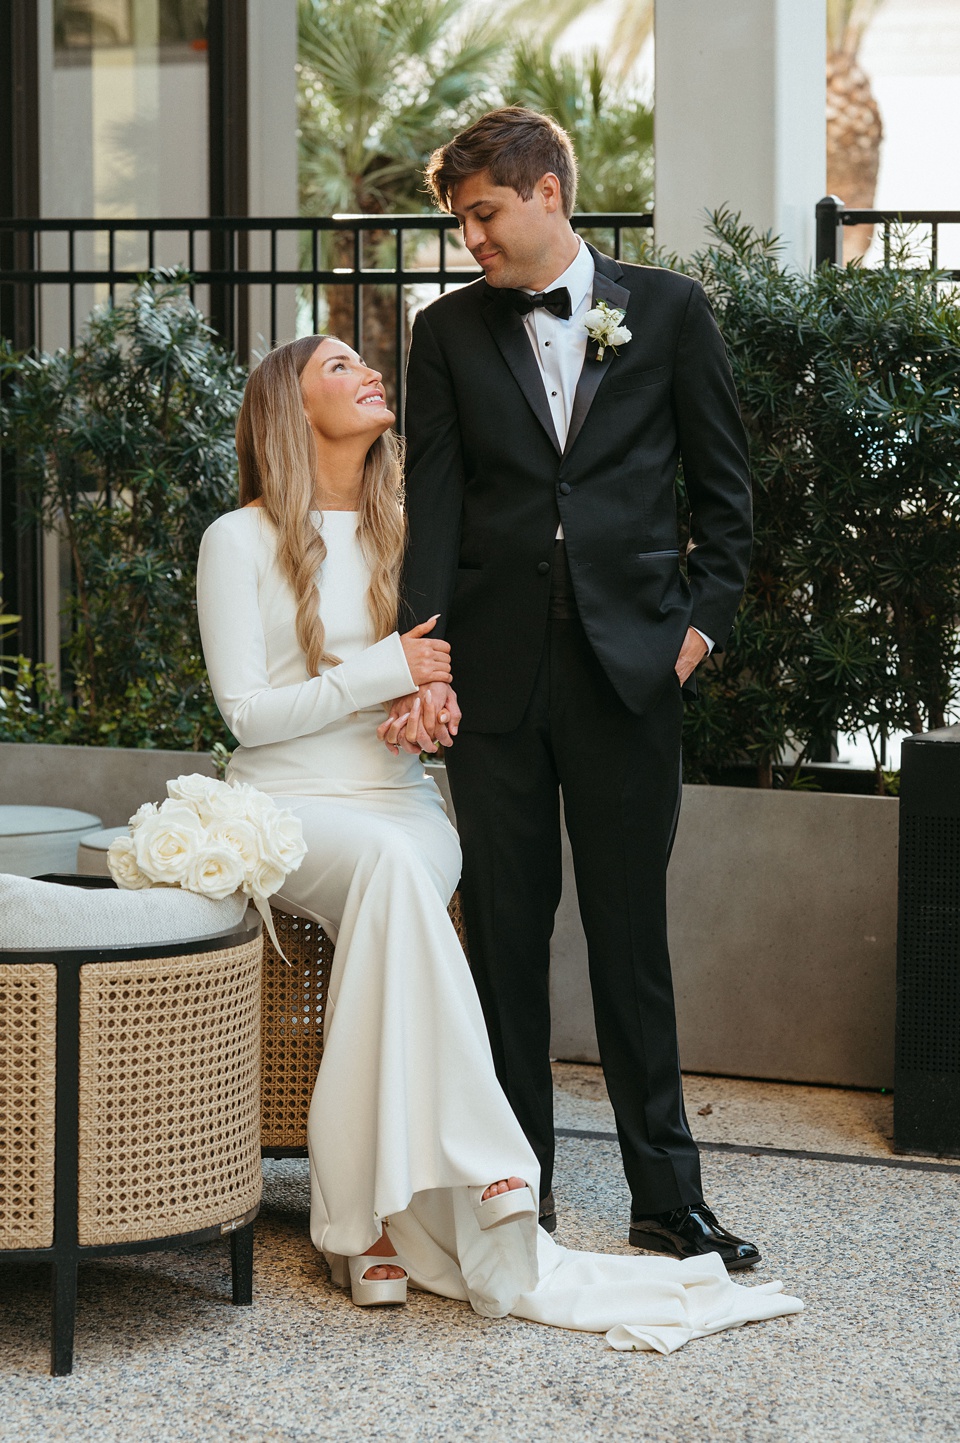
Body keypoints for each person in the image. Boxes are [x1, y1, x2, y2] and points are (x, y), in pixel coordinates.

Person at [196, 334, 801, 1349]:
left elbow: (452, 670)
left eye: (364, 361)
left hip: (399, 804)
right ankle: (444, 1191)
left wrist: (431, 701)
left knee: (402, 875)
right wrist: (387, 670)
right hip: (287, 806)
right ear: (287, 411)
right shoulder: (239, 538)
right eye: (337, 368)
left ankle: (372, 1222)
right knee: (393, 886)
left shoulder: (415, 527)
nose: (368, 373)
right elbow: (246, 717)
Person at [381, 107, 758, 1266]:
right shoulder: (445, 335)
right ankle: (518, 1190)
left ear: (546, 192)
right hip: (492, 679)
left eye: (483, 215)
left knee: (630, 936)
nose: (471, 242)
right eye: (460, 223)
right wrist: (425, 658)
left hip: (627, 673)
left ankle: (667, 1197)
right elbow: (435, 509)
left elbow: (725, 503)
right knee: (503, 933)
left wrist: (688, 642)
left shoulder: (672, 312)